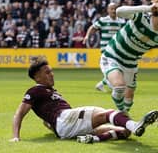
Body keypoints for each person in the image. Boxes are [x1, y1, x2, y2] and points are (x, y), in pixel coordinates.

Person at [9, 57, 158, 143]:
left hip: (67, 125)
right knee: (107, 113)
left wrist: (49, 124)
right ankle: (135, 124)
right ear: (37, 77)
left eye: (52, 71)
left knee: (124, 132)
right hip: (65, 119)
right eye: (47, 72)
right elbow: (19, 114)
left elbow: (47, 120)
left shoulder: (50, 92)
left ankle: (93, 139)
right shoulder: (34, 90)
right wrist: (16, 137)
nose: (52, 74)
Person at [100, 0, 158, 112]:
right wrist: (147, 7)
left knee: (129, 99)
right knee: (119, 87)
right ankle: (123, 116)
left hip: (131, 63)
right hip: (113, 56)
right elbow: (119, 12)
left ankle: (124, 116)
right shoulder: (142, 17)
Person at [83, 3, 126, 92]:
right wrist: (87, 36)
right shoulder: (103, 20)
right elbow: (93, 27)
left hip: (117, 49)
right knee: (113, 68)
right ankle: (112, 84)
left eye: (115, 9)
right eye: (111, 9)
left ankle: (102, 84)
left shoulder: (122, 22)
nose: (113, 11)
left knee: (118, 68)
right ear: (108, 10)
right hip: (106, 48)